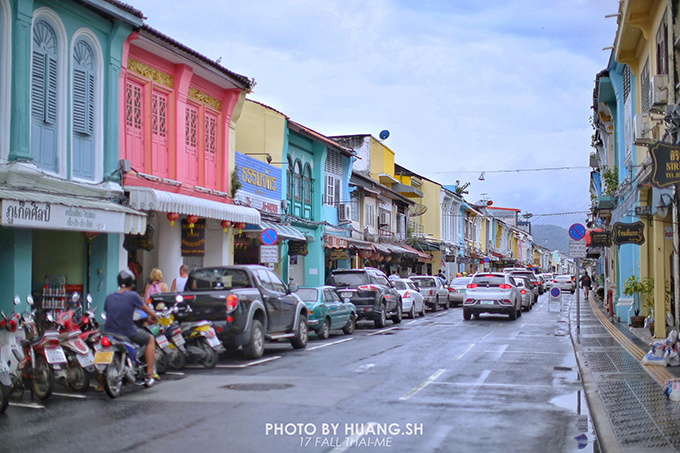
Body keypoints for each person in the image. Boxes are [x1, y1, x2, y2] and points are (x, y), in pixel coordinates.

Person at [104, 269, 158, 387]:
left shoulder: (109, 297)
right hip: (127, 332)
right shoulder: (133, 296)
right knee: (150, 339)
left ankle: (100, 384)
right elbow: (147, 310)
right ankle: (149, 373)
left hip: (108, 332)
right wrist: (154, 316)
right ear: (131, 283)